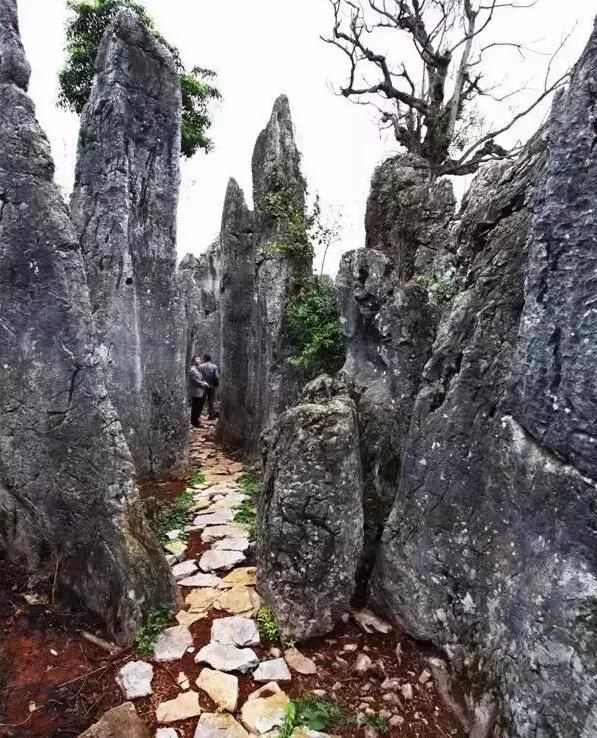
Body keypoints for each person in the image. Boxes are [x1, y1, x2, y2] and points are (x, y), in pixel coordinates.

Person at [198, 353, 220, 420]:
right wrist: (216, 384)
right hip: (211, 385)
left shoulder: (200, 366)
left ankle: (198, 416)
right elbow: (216, 377)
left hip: (202, 385)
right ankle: (211, 415)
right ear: (210, 359)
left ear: (204, 358)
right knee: (211, 400)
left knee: (200, 401)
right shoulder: (214, 366)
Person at [189, 356, 209, 428]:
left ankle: (197, 420)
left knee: (199, 407)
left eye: (200, 359)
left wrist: (204, 382)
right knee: (196, 407)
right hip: (196, 392)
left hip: (201, 391)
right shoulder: (193, 370)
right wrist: (204, 384)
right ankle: (195, 422)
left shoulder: (198, 369)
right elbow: (196, 381)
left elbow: (201, 378)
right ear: (193, 361)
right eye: (197, 359)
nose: (199, 360)